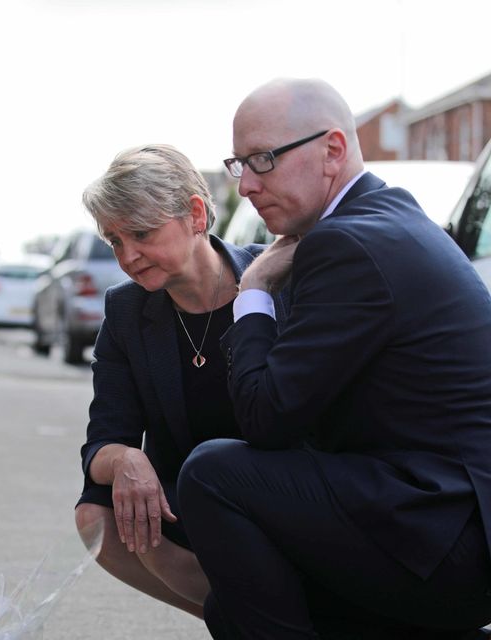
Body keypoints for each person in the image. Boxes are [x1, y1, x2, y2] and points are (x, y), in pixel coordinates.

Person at [177, 77, 491, 638]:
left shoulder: (347, 243)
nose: (246, 184)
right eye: (238, 164)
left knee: (212, 475)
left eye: (263, 160)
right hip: (442, 523)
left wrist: (252, 287)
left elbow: (266, 417)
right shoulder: (382, 219)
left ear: (334, 150)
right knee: (230, 608)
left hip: (443, 539)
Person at [73, 144, 287, 619]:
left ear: (194, 214)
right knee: (98, 517)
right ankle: (235, 619)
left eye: (142, 233)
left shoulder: (275, 278)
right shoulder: (126, 311)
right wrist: (126, 459)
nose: (128, 256)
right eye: (114, 241)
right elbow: (101, 442)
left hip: (284, 489)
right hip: (186, 498)